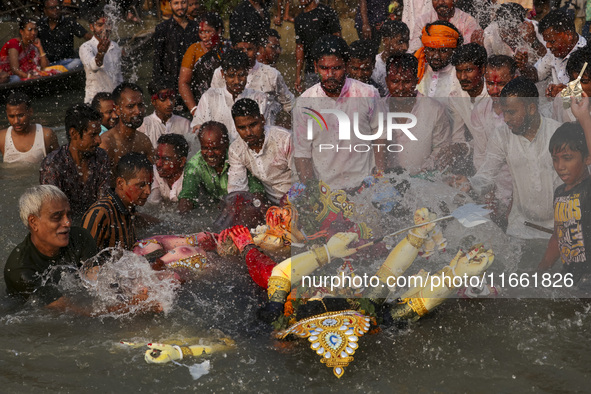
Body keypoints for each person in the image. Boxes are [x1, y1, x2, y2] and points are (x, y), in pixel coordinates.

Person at [450, 77, 561, 239]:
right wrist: (470, 183)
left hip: (558, 229)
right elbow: (487, 175)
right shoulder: (501, 136)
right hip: (520, 228)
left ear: (531, 108)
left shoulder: (557, 133)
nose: (506, 119)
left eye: (511, 112)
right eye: (504, 112)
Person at [293, 35, 385, 191]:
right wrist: (312, 192)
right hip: (326, 191)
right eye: (324, 68)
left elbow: (381, 136)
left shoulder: (368, 94)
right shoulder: (304, 104)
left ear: (347, 66)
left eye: (336, 68)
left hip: (365, 186)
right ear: (315, 67)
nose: (330, 74)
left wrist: (380, 178)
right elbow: (302, 153)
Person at [4, 185, 97, 303]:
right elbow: (70, 309)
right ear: (34, 222)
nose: (67, 223)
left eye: (69, 215)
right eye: (57, 217)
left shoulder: (80, 238)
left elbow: (99, 283)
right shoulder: (20, 269)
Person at [538, 100, 591, 287]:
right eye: (555, 160)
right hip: (570, 275)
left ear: (586, 158)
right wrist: (541, 270)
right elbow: (558, 236)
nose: (560, 167)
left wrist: (584, 117)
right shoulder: (560, 193)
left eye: (567, 159)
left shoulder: (588, 189)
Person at [210, 29, 294, 126]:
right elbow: (213, 103)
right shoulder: (220, 73)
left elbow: (290, 103)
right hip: (229, 133)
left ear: (257, 49)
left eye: (249, 49)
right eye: (241, 49)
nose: (245, 53)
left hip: (264, 132)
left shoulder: (271, 74)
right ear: (233, 48)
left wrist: (306, 128)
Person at [384, 53, 451, 173]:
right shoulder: (377, 109)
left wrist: (422, 173)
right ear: (386, 81)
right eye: (395, 81)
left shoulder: (434, 110)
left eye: (407, 81)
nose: (400, 87)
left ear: (416, 81)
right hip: (383, 184)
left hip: (424, 183)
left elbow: (442, 149)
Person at [39, 104, 110, 217]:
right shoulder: (52, 163)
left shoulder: (101, 157)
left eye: (98, 134)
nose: (99, 140)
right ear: (74, 134)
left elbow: (104, 203)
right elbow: (53, 209)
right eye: (93, 135)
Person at [178, 121, 264, 213]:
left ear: (226, 144)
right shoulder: (194, 165)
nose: (210, 154)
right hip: (215, 210)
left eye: (215, 148)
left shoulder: (240, 156)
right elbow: (187, 196)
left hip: (243, 206)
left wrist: (256, 211)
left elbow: (257, 190)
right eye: (205, 148)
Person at [191, 49, 269, 143]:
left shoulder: (259, 98)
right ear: (223, 74)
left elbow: (265, 131)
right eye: (231, 76)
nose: (237, 81)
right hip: (217, 151)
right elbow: (196, 127)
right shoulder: (209, 97)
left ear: (247, 72)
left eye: (241, 75)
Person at [437, 43, 490, 175]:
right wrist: (458, 148)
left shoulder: (493, 95)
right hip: (480, 167)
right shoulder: (456, 97)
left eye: (468, 70)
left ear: (482, 69)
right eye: (459, 71)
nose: (462, 77)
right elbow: (458, 138)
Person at [228, 99, 293, 204]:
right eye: (242, 128)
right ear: (236, 127)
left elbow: (304, 179)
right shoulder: (236, 150)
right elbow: (237, 189)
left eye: (253, 125)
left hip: (300, 198)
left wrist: (287, 202)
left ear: (262, 120)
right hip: (270, 205)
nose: (249, 133)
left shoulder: (284, 139)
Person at [82, 152, 152, 250]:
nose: (148, 191)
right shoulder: (100, 213)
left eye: (150, 184)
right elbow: (83, 260)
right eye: (141, 185)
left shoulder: (129, 208)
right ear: (120, 183)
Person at [517, 10, 587, 97]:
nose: (548, 45)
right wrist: (523, 67)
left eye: (552, 41)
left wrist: (565, 92)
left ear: (568, 35)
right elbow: (536, 75)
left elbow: (587, 91)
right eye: (546, 41)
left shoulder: (586, 54)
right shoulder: (554, 53)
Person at [178, 12, 225, 115]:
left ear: (219, 30)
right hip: (203, 106)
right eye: (201, 32)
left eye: (208, 32)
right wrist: (194, 110)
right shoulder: (194, 50)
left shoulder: (227, 49)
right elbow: (183, 83)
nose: (204, 37)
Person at [99, 82, 154, 170]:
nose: (138, 111)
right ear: (117, 110)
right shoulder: (106, 144)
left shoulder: (144, 142)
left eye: (140, 105)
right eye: (130, 106)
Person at [294, 0, 341, 93]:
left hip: (330, 68)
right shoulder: (299, 18)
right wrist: (298, 75)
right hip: (311, 70)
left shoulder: (327, 12)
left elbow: (337, 38)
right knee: (314, 103)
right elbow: (300, 47)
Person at [152, 0, 199, 90]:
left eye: (183, 2)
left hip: (193, 82)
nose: (180, 7)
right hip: (171, 84)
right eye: (176, 3)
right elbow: (157, 61)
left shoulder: (196, 27)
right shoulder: (163, 29)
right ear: (170, 5)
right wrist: (158, 88)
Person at [0, 92, 58, 164]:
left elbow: (59, 164)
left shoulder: (46, 135)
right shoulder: (2, 137)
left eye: (20, 115)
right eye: (11, 116)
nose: (16, 121)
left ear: (30, 111)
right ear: (6, 114)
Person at [79, 9, 123, 104]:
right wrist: (101, 53)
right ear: (92, 27)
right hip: (94, 100)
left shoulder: (115, 46)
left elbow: (118, 76)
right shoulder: (86, 47)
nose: (105, 28)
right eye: (100, 25)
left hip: (113, 99)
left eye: (108, 24)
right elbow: (93, 67)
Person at [37, 0, 91, 71]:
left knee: (78, 62)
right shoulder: (40, 24)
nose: (55, 10)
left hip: (66, 62)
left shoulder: (69, 22)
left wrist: (100, 43)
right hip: (48, 63)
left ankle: (56, 71)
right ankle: (54, 71)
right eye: (52, 8)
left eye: (57, 7)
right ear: (45, 10)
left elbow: (87, 36)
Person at [415, 21, 463, 98]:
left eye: (443, 51)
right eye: (431, 49)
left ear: (454, 50)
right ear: (425, 49)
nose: (436, 56)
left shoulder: (461, 77)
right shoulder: (417, 70)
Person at [409, 0, 479, 52]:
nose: (440, 2)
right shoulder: (423, 21)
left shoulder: (468, 22)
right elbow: (415, 49)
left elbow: (467, 52)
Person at [138, 81, 191, 149]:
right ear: (153, 101)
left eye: (172, 98)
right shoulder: (143, 125)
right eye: (163, 98)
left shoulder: (185, 124)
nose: (169, 103)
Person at [0, 18, 52, 82]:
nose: (33, 33)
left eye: (35, 29)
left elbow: (44, 66)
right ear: (21, 32)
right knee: (16, 79)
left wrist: (40, 47)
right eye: (30, 30)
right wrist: (30, 77)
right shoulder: (14, 44)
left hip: (27, 74)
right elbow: (15, 69)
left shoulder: (32, 44)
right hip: (7, 77)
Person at [371, 20, 410, 94]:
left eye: (407, 41)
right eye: (400, 42)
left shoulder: (411, 63)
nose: (405, 47)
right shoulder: (374, 66)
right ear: (385, 40)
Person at [147, 134, 188, 204]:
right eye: (157, 157)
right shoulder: (154, 172)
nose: (158, 164)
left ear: (182, 161)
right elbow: (152, 203)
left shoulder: (190, 178)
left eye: (166, 159)